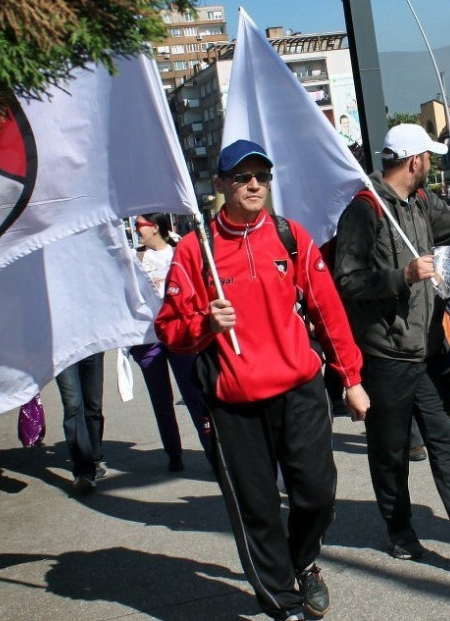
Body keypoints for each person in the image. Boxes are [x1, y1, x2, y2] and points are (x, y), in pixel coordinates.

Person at [154, 139, 370, 621]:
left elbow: (328, 312)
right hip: (235, 403)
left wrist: (351, 377)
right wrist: (205, 323)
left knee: (316, 491)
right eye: (242, 178)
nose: (255, 185)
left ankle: (305, 559)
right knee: (258, 509)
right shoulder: (195, 251)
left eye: (262, 177)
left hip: (300, 389)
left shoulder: (290, 236)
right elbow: (168, 329)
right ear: (221, 185)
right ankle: (282, 601)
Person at [333, 124, 450, 572]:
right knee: (390, 450)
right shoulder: (364, 210)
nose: (431, 165)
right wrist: (402, 276)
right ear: (414, 161)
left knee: (448, 441)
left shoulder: (420, 202)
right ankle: (399, 529)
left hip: (429, 349)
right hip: (386, 355)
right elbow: (347, 281)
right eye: (429, 159)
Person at [130, 213, 212, 472]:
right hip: (148, 340)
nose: (136, 229)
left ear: (154, 227)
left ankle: (214, 455)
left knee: (195, 397)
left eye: (139, 224)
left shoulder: (179, 253)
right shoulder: (134, 259)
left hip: (181, 335)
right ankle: (173, 453)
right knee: (161, 400)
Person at [55, 352, 106, 494]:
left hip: (90, 346)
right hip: (62, 352)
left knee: (93, 405)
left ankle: (94, 458)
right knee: (72, 405)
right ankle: (84, 471)